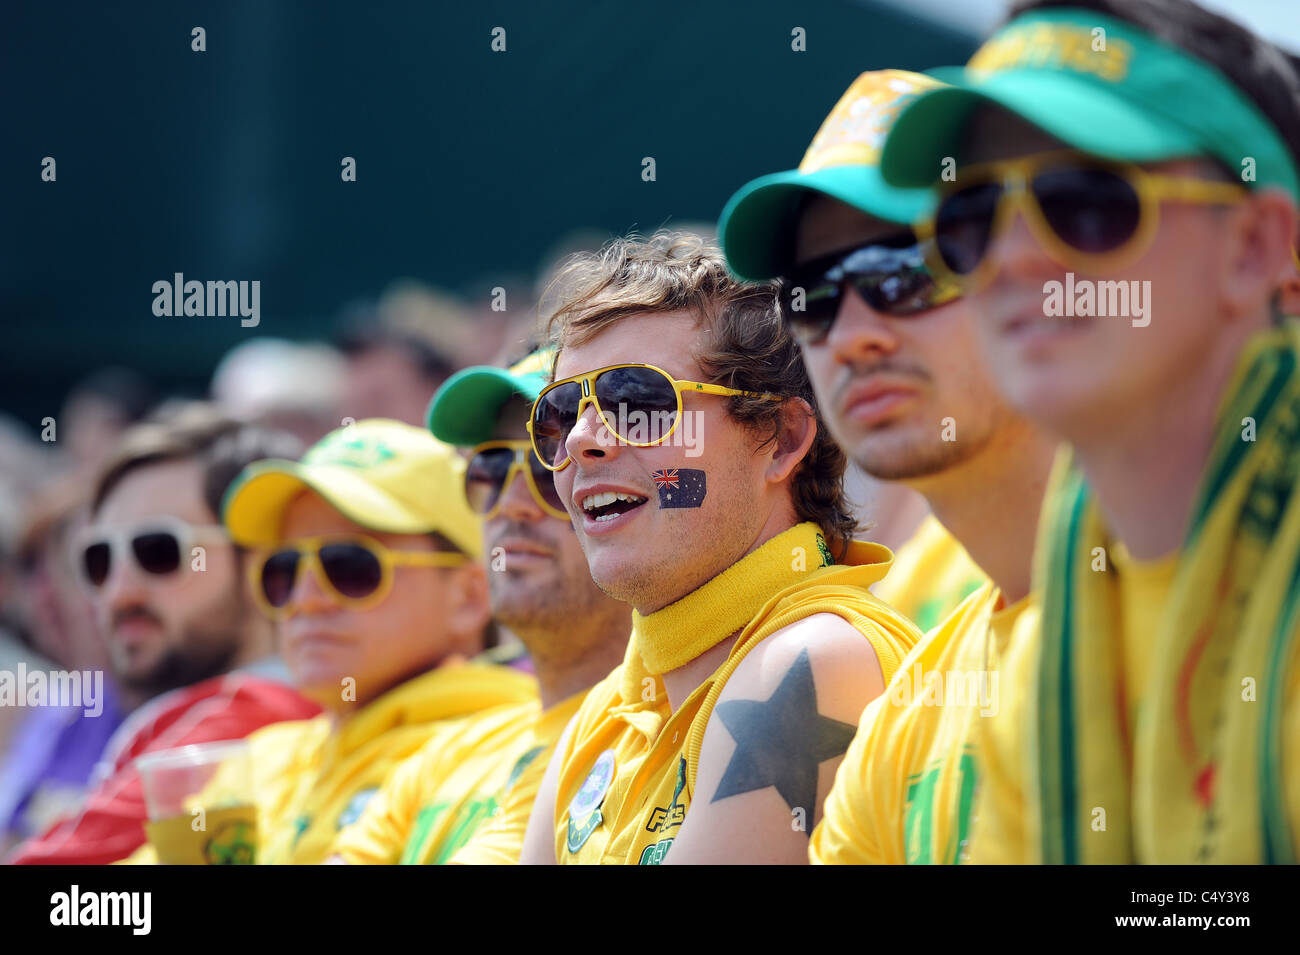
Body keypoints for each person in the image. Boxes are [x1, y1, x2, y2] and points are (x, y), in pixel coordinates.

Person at [879, 0, 1300, 862]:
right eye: (969, 218)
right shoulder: (1051, 651)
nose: (1012, 255)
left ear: (1257, 247)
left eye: (1085, 200)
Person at [717, 68, 1057, 864]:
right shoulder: (907, 718)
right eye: (813, 295)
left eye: (907, 271)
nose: (856, 333)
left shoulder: (1240, 591)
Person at [517, 232, 922, 865]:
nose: (582, 442)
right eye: (561, 412)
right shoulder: (601, 722)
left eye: (639, 403)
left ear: (782, 439)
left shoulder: (815, 661)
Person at [125, 419, 538, 864]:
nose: (305, 599)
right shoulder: (262, 761)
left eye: (349, 567)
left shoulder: (513, 750)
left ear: (470, 596)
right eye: (283, 570)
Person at [329, 350, 631, 864]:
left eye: (547, 464)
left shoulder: (670, 732)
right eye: (490, 467)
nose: (512, 503)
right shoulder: (447, 756)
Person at [9, 405, 322, 865]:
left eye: (158, 551)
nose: (118, 592)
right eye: (98, 561)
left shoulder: (249, 717)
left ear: (263, 560)